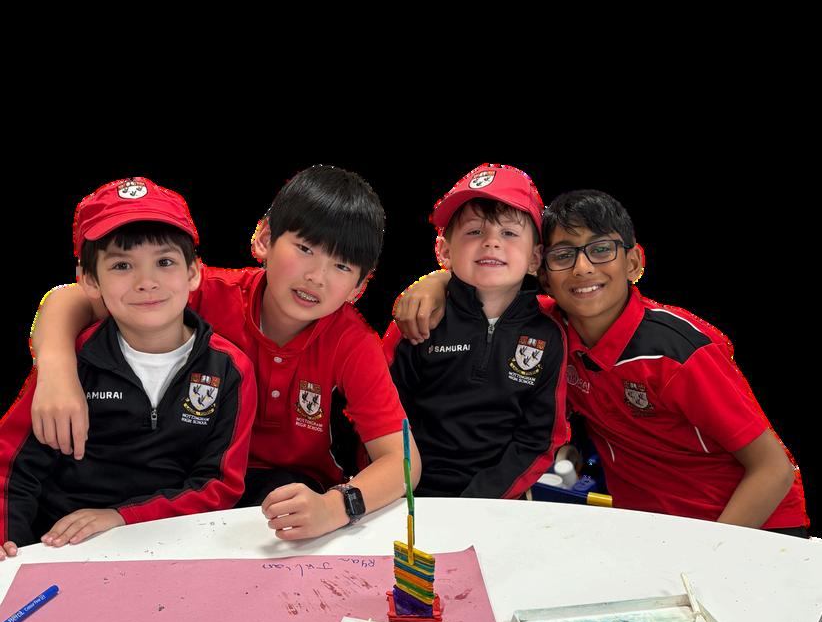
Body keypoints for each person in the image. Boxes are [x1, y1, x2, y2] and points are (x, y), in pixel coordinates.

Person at [26, 166, 420, 542]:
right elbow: (70, 298)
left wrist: (335, 507)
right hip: (187, 483)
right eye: (304, 248)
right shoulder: (204, 293)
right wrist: (57, 371)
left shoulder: (352, 341)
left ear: (359, 288)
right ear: (264, 238)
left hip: (291, 495)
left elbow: (403, 462)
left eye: (341, 266)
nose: (316, 276)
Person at [394, 189, 807, 532]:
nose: (582, 268)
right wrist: (437, 281)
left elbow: (774, 470)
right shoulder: (549, 331)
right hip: (647, 528)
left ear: (634, 262)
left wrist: (710, 554)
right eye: (564, 255)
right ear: (543, 272)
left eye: (601, 250)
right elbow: (487, 299)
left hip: (751, 529)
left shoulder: (678, 352)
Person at [0, 176, 256, 559]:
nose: (146, 282)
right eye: (122, 265)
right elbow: (12, 470)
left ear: (193, 273)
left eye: (164, 262)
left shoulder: (230, 369)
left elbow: (218, 485)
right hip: (64, 544)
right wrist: (9, 548)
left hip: (173, 542)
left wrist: (123, 518)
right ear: (89, 281)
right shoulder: (72, 362)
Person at [383, 163, 567, 497]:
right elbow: (381, 419)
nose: (491, 242)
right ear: (444, 250)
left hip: (498, 499)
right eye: (474, 231)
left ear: (535, 257)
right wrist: (398, 490)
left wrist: (481, 502)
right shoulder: (417, 319)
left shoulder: (549, 334)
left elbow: (538, 439)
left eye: (509, 233)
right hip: (409, 494)